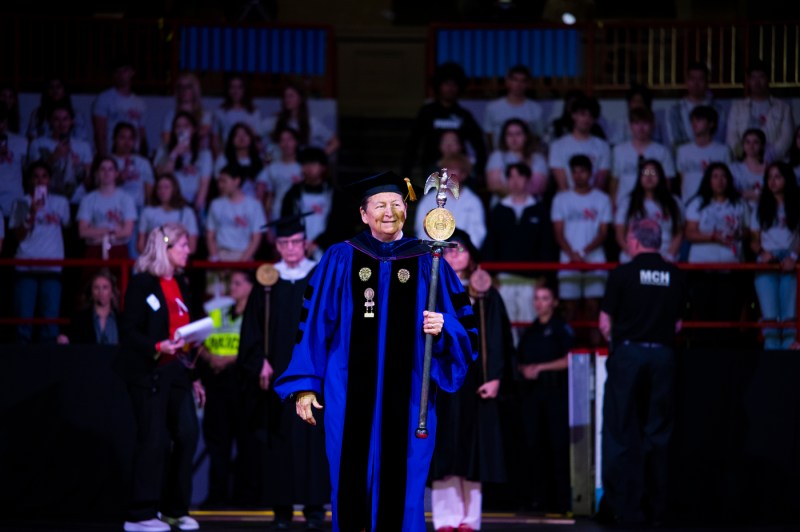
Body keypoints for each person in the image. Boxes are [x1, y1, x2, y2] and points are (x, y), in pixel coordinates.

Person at [273, 171, 478, 531]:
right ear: (364, 214)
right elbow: (314, 324)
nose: (388, 211)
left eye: (397, 204)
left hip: (411, 391)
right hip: (348, 389)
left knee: (406, 484)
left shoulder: (428, 261)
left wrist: (444, 326)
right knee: (349, 477)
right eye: (380, 205)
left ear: (407, 211)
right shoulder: (340, 258)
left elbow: (463, 325)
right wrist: (305, 384)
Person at [237, 213, 329, 529]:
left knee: (313, 441)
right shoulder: (267, 282)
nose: (291, 249)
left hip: (312, 374)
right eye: (284, 243)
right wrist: (258, 360)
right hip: (276, 375)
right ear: (277, 245)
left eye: (296, 242)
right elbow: (250, 330)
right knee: (279, 444)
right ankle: (282, 510)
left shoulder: (317, 277)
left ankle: (315, 508)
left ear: (305, 243)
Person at [598, 218, 686, 527]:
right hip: (663, 356)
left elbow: (605, 322)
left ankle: (620, 507)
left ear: (634, 241)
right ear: (659, 241)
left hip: (629, 355)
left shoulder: (623, 273)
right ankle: (656, 509)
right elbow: (678, 324)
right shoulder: (675, 275)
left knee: (619, 432)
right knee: (658, 435)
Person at [119, 222, 204, 532]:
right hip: (149, 371)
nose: (188, 250)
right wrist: (157, 345)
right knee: (153, 440)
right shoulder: (143, 283)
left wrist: (194, 375)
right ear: (165, 247)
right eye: (182, 245)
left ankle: (174, 509)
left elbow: (185, 328)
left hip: (178, 370)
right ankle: (140, 514)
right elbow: (129, 331)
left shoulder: (182, 282)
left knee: (187, 434)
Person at [430, 229, 512, 532]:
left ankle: (469, 519)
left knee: (474, 452)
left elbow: (500, 340)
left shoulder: (485, 294)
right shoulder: (432, 289)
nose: (454, 255)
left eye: (460, 250)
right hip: (441, 382)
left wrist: (496, 379)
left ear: (472, 256)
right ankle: (445, 519)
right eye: (449, 250)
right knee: (444, 452)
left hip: (475, 385)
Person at [196, 269, 256, 509]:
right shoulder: (220, 313)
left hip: (241, 382)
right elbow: (199, 342)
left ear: (251, 287)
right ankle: (216, 497)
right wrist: (211, 358)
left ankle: (246, 498)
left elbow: (256, 347)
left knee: (246, 444)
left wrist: (229, 360)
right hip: (217, 381)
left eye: (238, 282)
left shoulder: (256, 316)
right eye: (232, 283)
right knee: (217, 443)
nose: (233, 287)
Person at [481, 162, 558, 343]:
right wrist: (491, 276)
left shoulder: (540, 209)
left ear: (528, 180)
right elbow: (491, 243)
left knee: (530, 328)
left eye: (520, 176)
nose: (515, 181)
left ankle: (529, 367)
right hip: (504, 281)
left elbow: (547, 245)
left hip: (531, 281)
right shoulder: (499, 210)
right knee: (504, 329)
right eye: (511, 176)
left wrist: (544, 277)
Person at [516, 284, 575, 514]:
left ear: (555, 302)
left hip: (555, 395)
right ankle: (537, 498)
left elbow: (570, 359)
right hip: (532, 396)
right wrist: (524, 369)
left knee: (557, 447)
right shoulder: (530, 331)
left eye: (545, 298)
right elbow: (520, 359)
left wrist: (540, 368)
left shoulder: (561, 329)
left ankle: (561, 500)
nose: (540, 303)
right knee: (534, 446)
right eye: (537, 298)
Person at [684, 162, 749, 347]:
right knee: (705, 318)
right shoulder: (697, 203)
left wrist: (737, 234)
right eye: (715, 176)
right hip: (702, 269)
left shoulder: (739, 203)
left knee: (728, 318)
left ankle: (727, 361)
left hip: (731, 268)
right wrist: (712, 237)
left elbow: (747, 232)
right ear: (708, 180)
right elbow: (689, 233)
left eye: (723, 176)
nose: (719, 181)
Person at [551, 154, 612, 346]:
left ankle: (596, 354)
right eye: (574, 172)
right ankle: (569, 356)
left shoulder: (602, 199)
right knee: (569, 309)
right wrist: (573, 255)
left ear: (591, 173)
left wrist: (583, 253)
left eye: (582, 171)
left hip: (595, 261)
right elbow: (558, 232)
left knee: (595, 309)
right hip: (568, 262)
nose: (578, 176)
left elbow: (604, 232)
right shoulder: (561, 199)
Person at [9, 161, 71, 344]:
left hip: (52, 267)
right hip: (26, 267)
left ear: (49, 180)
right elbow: (18, 235)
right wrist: (32, 214)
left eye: (44, 176)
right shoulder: (20, 203)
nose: (40, 180)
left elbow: (69, 228)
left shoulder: (60, 203)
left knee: (50, 324)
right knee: (23, 323)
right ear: (29, 180)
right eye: (35, 176)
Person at [402, 62, 487, 182]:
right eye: (446, 84)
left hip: (459, 167)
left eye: (454, 85)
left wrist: (480, 169)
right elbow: (413, 143)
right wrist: (406, 171)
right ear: (439, 85)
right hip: (433, 166)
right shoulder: (427, 112)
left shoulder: (464, 115)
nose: (450, 88)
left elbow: (479, 144)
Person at [749, 162, 800, 349]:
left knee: (789, 318)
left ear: (787, 178)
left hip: (792, 261)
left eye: (778, 176)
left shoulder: (797, 203)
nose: (773, 181)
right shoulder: (760, 206)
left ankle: (789, 366)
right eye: (769, 177)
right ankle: (772, 366)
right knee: (769, 318)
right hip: (766, 262)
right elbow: (753, 239)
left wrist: (793, 257)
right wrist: (763, 253)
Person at [280, 146, 356, 261]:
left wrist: (318, 242)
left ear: (323, 167)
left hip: (328, 250)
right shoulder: (293, 194)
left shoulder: (335, 194)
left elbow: (341, 225)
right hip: (298, 249)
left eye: (313, 163)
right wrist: (298, 242)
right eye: (305, 164)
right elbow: (286, 221)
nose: (309, 168)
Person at [413, 153, 487, 250]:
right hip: (434, 254)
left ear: (464, 174)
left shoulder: (473, 201)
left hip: (462, 254)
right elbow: (421, 229)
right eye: (446, 170)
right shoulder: (429, 199)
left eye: (453, 170)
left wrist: (461, 250)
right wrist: (437, 249)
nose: (448, 175)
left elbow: (478, 232)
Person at [614, 160, 683, 263]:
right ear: (639, 177)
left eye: (653, 173)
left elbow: (678, 232)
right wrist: (633, 254)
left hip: (665, 259)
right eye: (645, 173)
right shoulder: (627, 202)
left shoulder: (674, 202)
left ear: (661, 176)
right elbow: (620, 234)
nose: (649, 177)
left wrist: (669, 256)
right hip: (632, 260)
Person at [726, 59, 795, 162]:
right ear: (748, 81)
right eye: (753, 77)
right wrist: (743, 153)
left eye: (761, 77)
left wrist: (772, 154)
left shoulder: (783, 107)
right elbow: (731, 134)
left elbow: (787, 136)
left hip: (775, 162)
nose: (757, 82)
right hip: (744, 162)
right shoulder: (737, 107)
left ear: (768, 79)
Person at [28, 102, 93, 206]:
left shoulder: (84, 146)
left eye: (65, 119)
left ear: (72, 121)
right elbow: (32, 176)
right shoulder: (38, 143)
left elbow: (89, 180)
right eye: (57, 119)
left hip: (77, 200)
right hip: (46, 200)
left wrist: (78, 167)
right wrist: (53, 157)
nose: (61, 124)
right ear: (50, 121)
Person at [610, 106, 675, 206]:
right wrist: (613, 205)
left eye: (645, 123)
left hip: (654, 205)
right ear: (630, 126)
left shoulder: (662, 151)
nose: (641, 128)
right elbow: (615, 181)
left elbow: (667, 182)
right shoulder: (618, 151)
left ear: (652, 126)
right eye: (636, 123)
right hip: (624, 204)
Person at [76, 155, 137, 260]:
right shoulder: (87, 199)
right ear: (97, 173)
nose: (106, 173)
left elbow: (127, 231)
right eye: (102, 169)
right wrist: (111, 230)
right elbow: (83, 232)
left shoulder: (126, 199)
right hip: (94, 249)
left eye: (110, 169)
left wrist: (96, 232)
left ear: (116, 173)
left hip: (118, 249)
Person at [154, 111, 214, 216]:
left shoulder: (204, 154)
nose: (182, 129)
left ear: (194, 129)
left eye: (186, 126)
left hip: (194, 205)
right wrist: (174, 153)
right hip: (170, 204)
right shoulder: (164, 150)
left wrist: (196, 208)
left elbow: (204, 184)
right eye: (178, 126)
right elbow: (162, 176)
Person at [548, 94, 611, 191]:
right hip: (566, 200)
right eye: (582, 114)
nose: (586, 119)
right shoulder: (557, 146)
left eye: (591, 116)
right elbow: (562, 184)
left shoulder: (603, 146)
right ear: (574, 115)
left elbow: (600, 181)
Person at [91, 57, 148, 157]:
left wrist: (143, 155)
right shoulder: (104, 99)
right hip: (111, 155)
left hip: (134, 155)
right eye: (118, 72)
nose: (121, 75)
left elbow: (141, 132)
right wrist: (103, 157)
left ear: (132, 72)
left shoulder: (139, 102)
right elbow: (100, 133)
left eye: (125, 71)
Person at [665, 61, 728, 151]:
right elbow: (674, 141)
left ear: (707, 82)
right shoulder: (675, 110)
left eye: (700, 79)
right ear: (686, 81)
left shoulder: (718, 109)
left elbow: (720, 137)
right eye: (692, 79)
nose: (696, 83)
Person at [675, 105, 731, 204]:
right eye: (692, 120)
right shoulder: (682, 150)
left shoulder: (723, 151)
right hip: (688, 204)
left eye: (699, 120)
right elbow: (681, 179)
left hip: (715, 204)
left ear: (711, 124)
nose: (694, 124)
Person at [265, 82, 340, 156]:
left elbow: (335, 142)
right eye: (285, 96)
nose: (287, 99)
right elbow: (257, 132)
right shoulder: (276, 120)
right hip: (280, 163)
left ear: (300, 99)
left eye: (291, 96)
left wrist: (317, 158)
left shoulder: (311, 122)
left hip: (301, 164)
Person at [482, 65, 544, 152]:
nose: (518, 84)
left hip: (526, 156)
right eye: (515, 80)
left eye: (523, 81)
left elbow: (538, 135)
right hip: (500, 155)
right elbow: (489, 134)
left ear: (528, 84)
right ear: (507, 82)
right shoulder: (493, 107)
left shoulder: (536, 109)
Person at [485, 118, 549, 202]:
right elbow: (494, 185)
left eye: (518, 134)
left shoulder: (538, 158)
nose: (514, 138)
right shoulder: (497, 156)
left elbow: (540, 186)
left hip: (533, 205)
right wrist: (516, 201)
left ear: (526, 137)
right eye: (509, 134)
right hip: (503, 204)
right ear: (504, 137)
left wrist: (523, 201)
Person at [138, 174, 199, 255]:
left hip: (178, 262)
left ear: (174, 189)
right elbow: (140, 245)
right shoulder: (147, 212)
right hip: (154, 262)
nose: (162, 191)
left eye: (166, 187)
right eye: (159, 188)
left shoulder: (187, 212)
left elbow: (192, 246)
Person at [57, 268, 120, 345]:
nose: (101, 292)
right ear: (91, 293)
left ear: (112, 293)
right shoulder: (80, 319)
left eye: (105, 287)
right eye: (96, 288)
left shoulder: (121, 320)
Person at [256, 126, 302, 229]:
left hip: (301, 216)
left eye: (290, 139)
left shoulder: (304, 168)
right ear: (278, 144)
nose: (286, 144)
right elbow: (262, 197)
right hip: (277, 216)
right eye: (282, 140)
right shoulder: (272, 168)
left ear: (296, 142)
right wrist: (267, 223)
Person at [161, 72, 216, 153]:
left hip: (200, 154)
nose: (184, 90)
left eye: (188, 87)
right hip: (176, 154)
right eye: (181, 87)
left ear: (195, 89)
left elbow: (203, 133)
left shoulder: (206, 114)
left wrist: (179, 134)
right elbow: (166, 139)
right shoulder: (171, 114)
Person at [26, 76, 91, 143]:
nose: (55, 90)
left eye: (58, 87)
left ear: (64, 90)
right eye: (51, 87)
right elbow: (31, 137)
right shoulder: (37, 114)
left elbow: (81, 139)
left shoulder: (76, 114)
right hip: (43, 150)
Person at [212, 73, 263, 157]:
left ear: (244, 89)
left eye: (239, 87)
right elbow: (215, 140)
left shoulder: (253, 112)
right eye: (232, 87)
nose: (236, 91)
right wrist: (219, 158)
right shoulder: (220, 112)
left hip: (249, 156)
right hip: (227, 156)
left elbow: (257, 137)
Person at [213, 122, 264, 200]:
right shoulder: (223, 159)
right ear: (232, 140)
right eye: (237, 135)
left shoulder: (259, 161)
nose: (241, 138)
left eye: (245, 134)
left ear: (250, 138)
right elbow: (219, 186)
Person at [0, 101, 29, 222]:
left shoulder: (21, 141)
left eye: (1, 120)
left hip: (15, 199)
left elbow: (27, 170)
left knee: (18, 239)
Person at [730, 128, 767, 211]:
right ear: (743, 145)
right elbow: (730, 192)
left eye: (756, 142)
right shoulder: (734, 168)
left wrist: (749, 193)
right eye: (747, 142)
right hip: (740, 211)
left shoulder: (771, 168)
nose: (751, 146)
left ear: (762, 145)